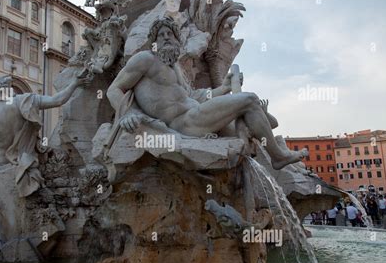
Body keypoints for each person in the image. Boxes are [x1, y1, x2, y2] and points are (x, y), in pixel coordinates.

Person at [106, 17, 308, 170]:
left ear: (177, 40)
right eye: (161, 35)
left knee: (250, 123)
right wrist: (127, 113)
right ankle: (278, 156)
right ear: (154, 41)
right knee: (250, 100)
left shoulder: (175, 67)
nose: (166, 38)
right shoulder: (145, 59)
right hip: (185, 123)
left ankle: (259, 126)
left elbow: (194, 97)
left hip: (198, 115)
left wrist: (225, 87)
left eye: (170, 34)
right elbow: (113, 89)